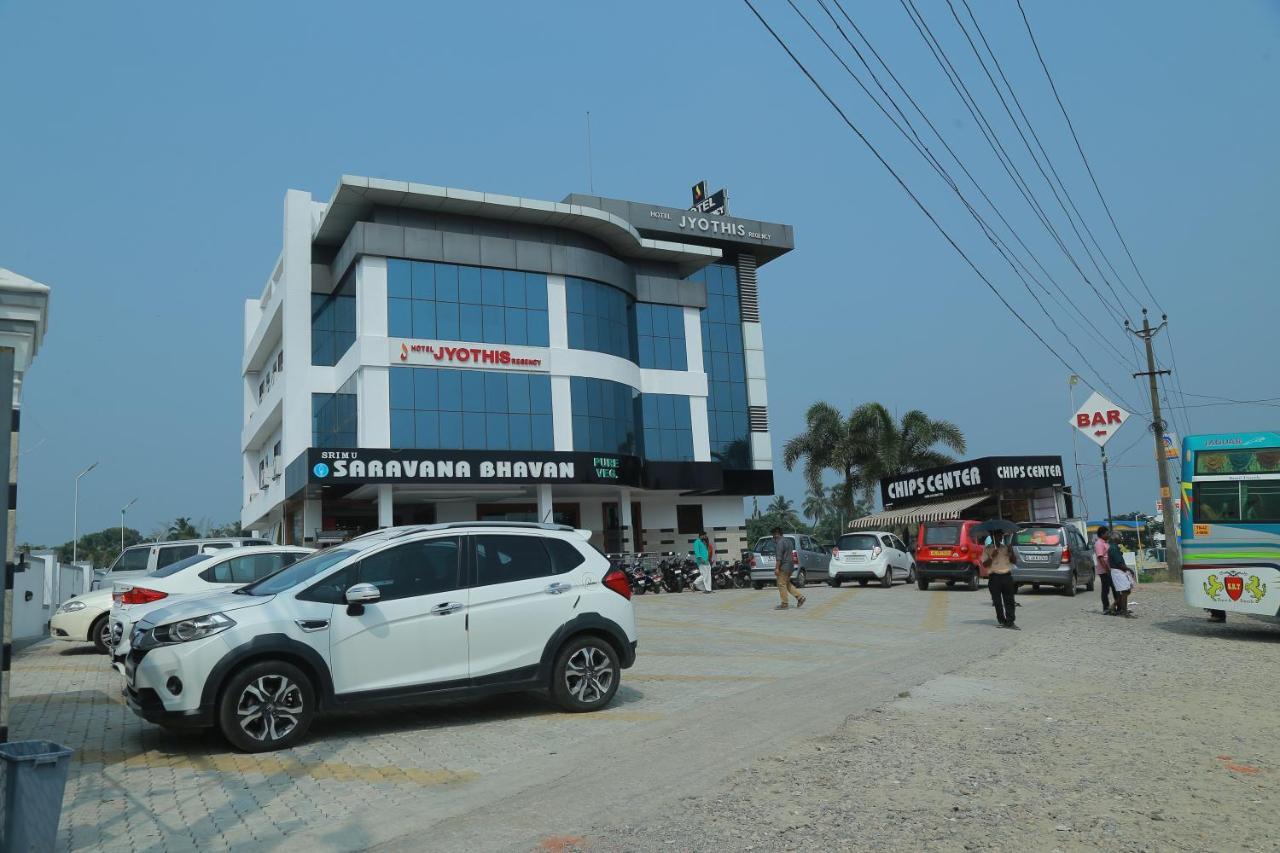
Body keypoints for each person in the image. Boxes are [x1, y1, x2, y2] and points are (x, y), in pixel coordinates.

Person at [982, 529, 1018, 629]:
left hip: (1007, 576)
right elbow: (984, 564)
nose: (1001, 537)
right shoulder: (987, 549)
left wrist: (1011, 552)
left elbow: (1014, 561)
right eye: (998, 535)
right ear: (993, 536)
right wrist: (992, 556)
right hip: (994, 577)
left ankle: (1010, 621)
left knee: (1009, 600)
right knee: (997, 601)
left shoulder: (1006, 548)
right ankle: (1002, 620)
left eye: (1001, 535)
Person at [772, 527, 806, 610]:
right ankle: (800, 597)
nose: (773, 538)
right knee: (787, 583)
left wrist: (776, 568)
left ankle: (784, 603)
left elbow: (779, 558)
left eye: (773, 535)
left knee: (781, 584)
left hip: (783, 566)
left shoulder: (780, 543)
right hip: (791, 566)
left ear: (776, 534)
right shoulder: (789, 541)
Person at [1094, 526, 1116, 614]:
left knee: (1114, 588)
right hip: (1104, 570)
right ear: (1102, 534)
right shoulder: (1099, 543)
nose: (1108, 535)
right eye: (1107, 533)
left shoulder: (1105, 543)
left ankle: (1117, 606)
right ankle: (1106, 608)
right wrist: (1107, 569)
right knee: (1106, 589)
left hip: (1109, 569)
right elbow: (1100, 558)